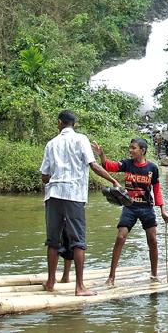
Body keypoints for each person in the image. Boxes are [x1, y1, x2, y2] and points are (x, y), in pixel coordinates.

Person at [39, 110, 120, 296]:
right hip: (74, 194)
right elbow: (93, 165)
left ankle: (51, 282)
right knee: (78, 241)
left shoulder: (51, 144)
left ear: (60, 123)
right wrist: (113, 181)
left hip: (53, 194)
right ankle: (79, 287)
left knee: (52, 240)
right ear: (74, 124)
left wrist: (56, 176)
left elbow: (44, 176)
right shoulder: (81, 139)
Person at [93, 138, 168, 284]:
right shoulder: (127, 164)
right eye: (130, 148)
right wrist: (101, 154)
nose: (130, 150)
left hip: (146, 207)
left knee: (152, 240)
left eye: (133, 148)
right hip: (130, 207)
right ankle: (111, 277)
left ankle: (154, 275)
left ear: (142, 150)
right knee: (120, 237)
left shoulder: (152, 168)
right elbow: (108, 166)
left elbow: (157, 190)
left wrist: (163, 210)